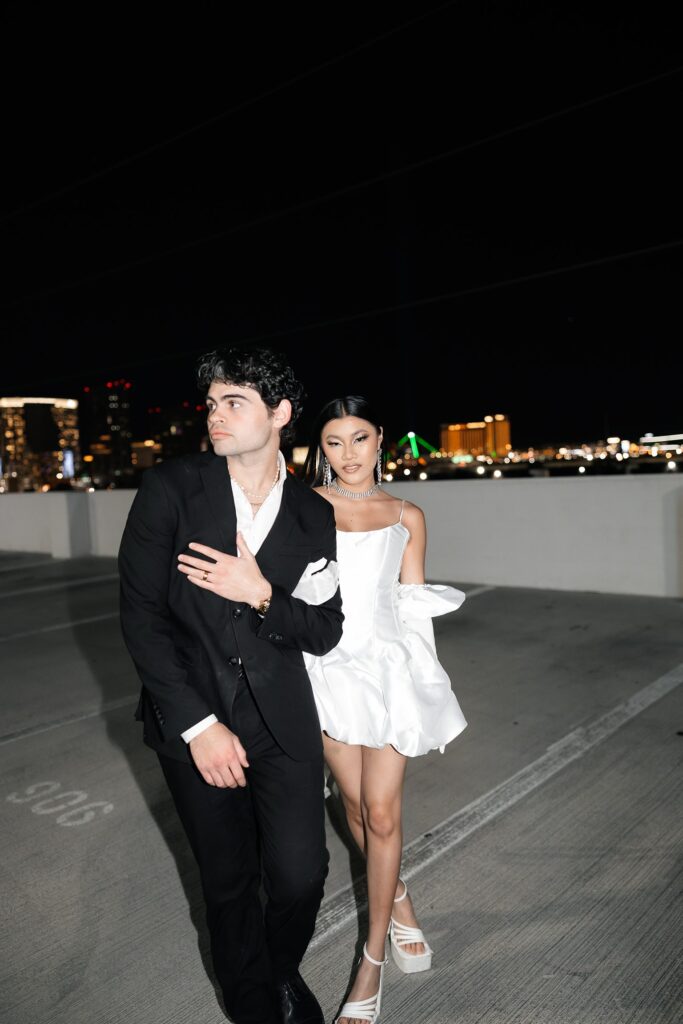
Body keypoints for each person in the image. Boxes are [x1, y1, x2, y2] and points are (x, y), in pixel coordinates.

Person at [118, 346, 344, 1024]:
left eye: (233, 402)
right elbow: (141, 619)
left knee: (301, 875)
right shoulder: (171, 489)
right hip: (195, 723)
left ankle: (278, 969)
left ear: (279, 414)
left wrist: (262, 595)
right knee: (228, 884)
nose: (214, 415)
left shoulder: (313, 514)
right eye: (212, 403)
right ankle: (253, 1005)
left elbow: (325, 628)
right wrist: (196, 726)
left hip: (283, 720)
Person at [302, 396, 467, 1024]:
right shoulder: (306, 507)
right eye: (335, 441)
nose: (348, 454)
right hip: (330, 671)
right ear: (321, 447)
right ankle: (394, 892)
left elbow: (412, 602)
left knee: (381, 812)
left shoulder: (407, 514)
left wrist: (426, 685)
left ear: (381, 441)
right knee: (350, 806)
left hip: (391, 669)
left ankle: (370, 963)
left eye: (360, 438)